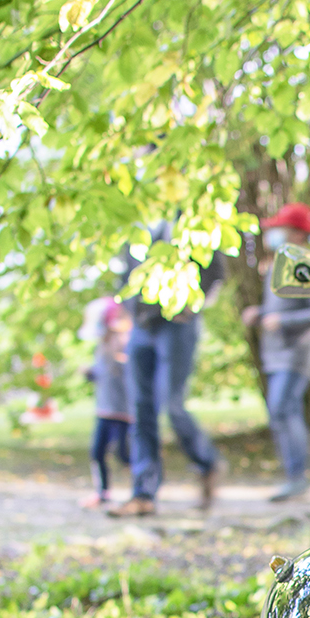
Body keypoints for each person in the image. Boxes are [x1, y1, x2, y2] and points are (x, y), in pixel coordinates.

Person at [108, 221, 226, 518]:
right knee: (141, 410)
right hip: (141, 327)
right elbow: (126, 277)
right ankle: (143, 494)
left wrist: (194, 306)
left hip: (178, 325)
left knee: (173, 406)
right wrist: (126, 321)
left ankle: (207, 462)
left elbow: (216, 273)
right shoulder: (136, 229)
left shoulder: (191, 221)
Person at [242, 203, 310, 502]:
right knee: (281, 410)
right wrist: (262, 313)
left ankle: (301, 477)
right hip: (277, 353)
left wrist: (281, 321)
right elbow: (282, 307)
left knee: (283, 406)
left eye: (281, 227)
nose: (274, 233)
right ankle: (300, 476)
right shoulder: (281, 263)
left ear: (297, 232)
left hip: (297, 352)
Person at [80, 298, 133, 507]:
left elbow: (128, 373)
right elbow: (103, 374)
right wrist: (90, 373)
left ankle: (141, 490)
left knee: (125, 454)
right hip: (105, 409)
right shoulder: (100, 347)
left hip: (123, 411)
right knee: (98, 453)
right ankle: (103, 492)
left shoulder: (123, 343)